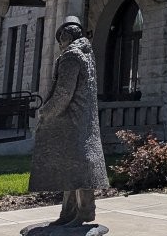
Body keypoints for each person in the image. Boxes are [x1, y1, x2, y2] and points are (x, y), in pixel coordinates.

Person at [29, 16, 109, 225]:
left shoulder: (72, 57)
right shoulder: (86, 54)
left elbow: (64, 93)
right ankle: (68, 212)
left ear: (66, 36)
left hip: (72, 120)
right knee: (71, 167)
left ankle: (84, 212)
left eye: (60, 37)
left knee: (78, 167)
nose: (59, 43)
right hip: (81, 119)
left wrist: (46, 112)